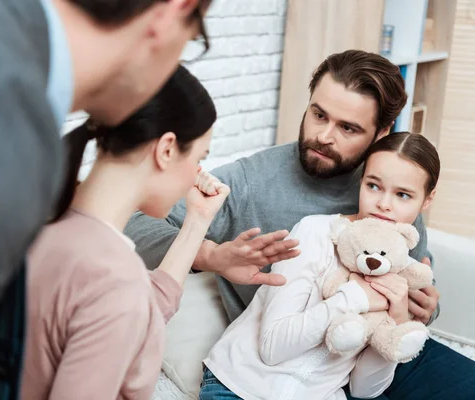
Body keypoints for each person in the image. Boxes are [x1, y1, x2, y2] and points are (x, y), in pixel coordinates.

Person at [0, 0, 211, 397]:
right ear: (176, 8)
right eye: (192, 41)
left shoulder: (51, 215)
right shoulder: (4, 127)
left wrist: (196, 227)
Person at [125, 49, 475, 398]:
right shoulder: (252, 180)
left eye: (348, 128)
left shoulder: (393, 189)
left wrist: (423, 310)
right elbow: (135, 223)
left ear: (381, 133)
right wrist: (210, 256)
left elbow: (417, 292)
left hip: (374, 351)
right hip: (289, 362)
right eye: (319, 115)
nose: (324, 136)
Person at [21, 65, 230, 400]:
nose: (198, 173)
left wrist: (197, 221)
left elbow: (140, 308)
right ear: (166, 150)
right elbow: (121, 302)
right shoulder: (114, 282)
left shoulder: (44, 226)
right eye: (199, 158)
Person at [199, 132, 443, 399]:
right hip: (240, 385)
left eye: (403, 195)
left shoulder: (401, 272)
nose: (384, 204)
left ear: (427, 200)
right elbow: (272, 347)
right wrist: (354, 297)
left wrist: (395, 322)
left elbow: (364, 389)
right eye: (373, 186)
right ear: (361, 181)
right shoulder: (314, 232)